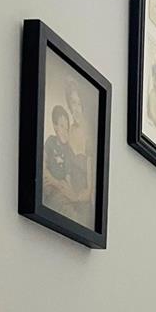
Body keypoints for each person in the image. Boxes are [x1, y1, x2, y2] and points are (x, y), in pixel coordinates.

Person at [42, 104, 81, 220]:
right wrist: (52, 181)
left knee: (67, 209)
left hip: (60, 190)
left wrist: (56, 184)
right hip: (49, 186)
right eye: (61, 126)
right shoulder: (50, 141)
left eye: (67, 128)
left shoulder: (68, 150)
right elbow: (43, 167)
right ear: (55, 126)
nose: (65, 131)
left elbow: (67, 181)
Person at [65, 78, 93, 222]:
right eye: (72, 103)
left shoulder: (91, 137)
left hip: (82, 204)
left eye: (78, 103)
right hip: (68, 194)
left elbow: (89, 191)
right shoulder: (68, 131)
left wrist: (73, 196)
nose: (74, 108)